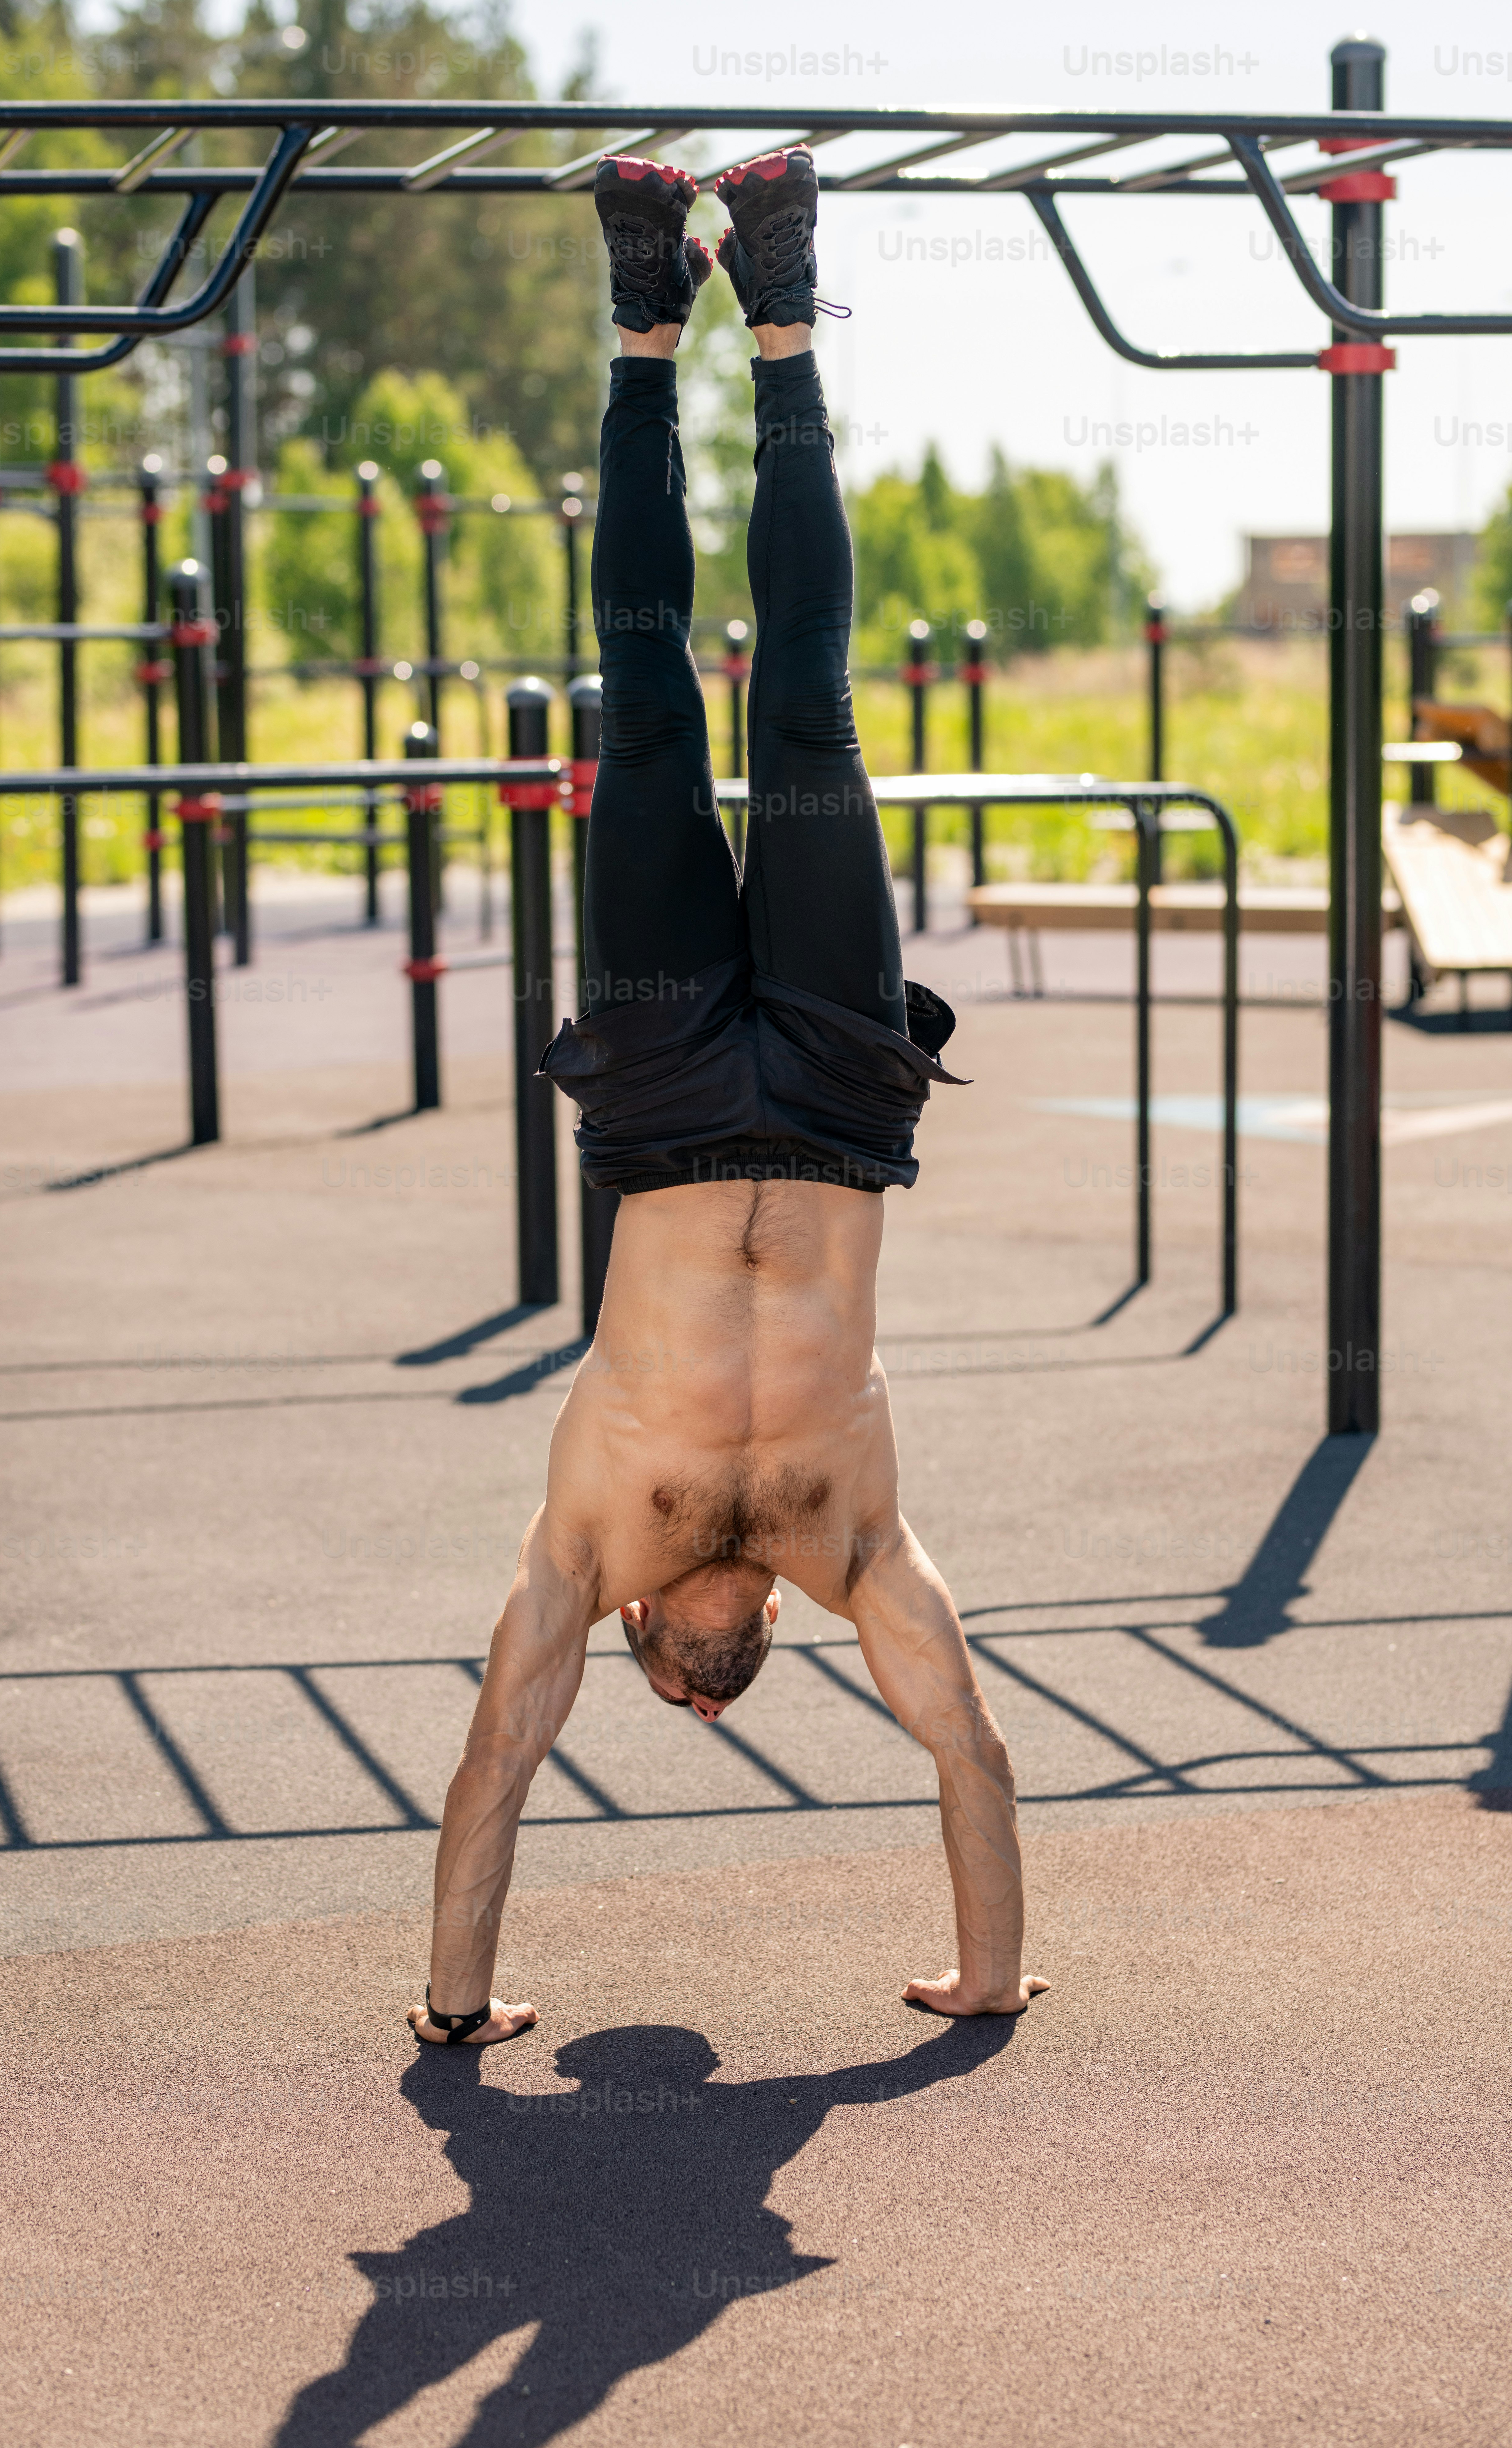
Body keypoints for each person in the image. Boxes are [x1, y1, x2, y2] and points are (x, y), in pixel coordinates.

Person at [412, 149, 1047, 2048]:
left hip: (676, 1098)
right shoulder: (853, 1554)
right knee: (811, 705)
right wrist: (987, 1974)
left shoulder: (593, 1550)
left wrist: (458, 2002)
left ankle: (639, 319)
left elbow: (495, 1765)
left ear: (644, 1654)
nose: (698, 1672)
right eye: (715, 1680)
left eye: (681, 1681)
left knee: (646, 694)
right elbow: (975, 1752)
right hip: (845, 1096)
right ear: (737, 1647)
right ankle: (777, 313)